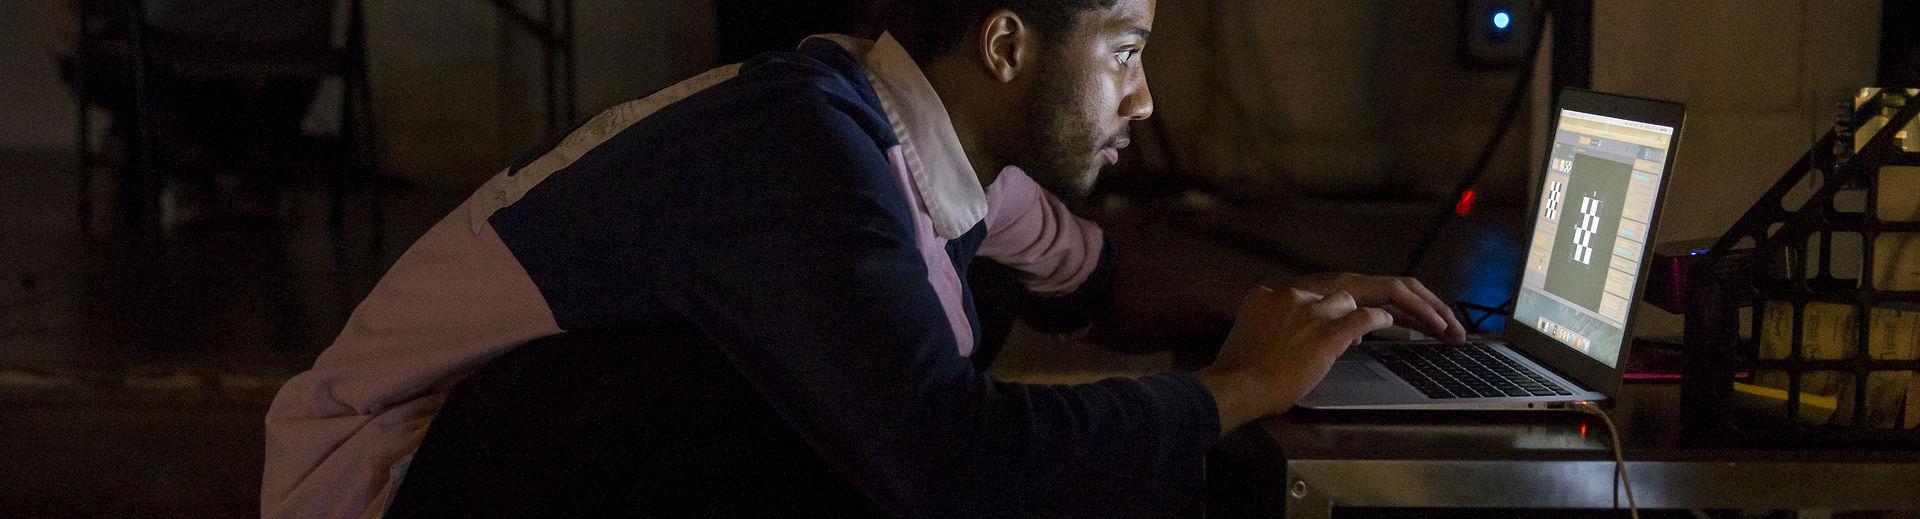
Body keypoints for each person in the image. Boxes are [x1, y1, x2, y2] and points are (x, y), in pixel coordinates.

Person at [262, 0, 1465, 516]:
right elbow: (951, 467)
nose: (1144, 96)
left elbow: (1100, 279)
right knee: (895, 441)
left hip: (517, 461)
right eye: (1124, 47)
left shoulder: (914, 136)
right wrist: (1236, 391)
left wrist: (1292, 308)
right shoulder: (803, 156)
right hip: (391, 484)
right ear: (1006, 44)